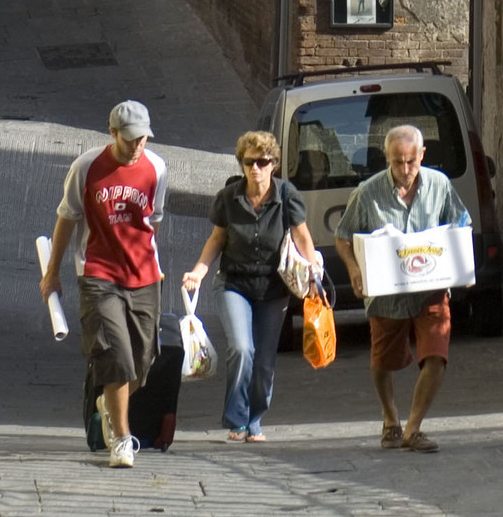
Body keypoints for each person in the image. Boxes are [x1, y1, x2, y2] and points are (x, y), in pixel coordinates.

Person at [41, 100, 167, 472]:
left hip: (144, 275)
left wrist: (147, 260)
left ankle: (108, 402)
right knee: (116, 357)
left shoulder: (157, 168)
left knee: (142, 361)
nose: (136, 146)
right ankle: (122, 439)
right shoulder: (86, 168)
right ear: (112, 134)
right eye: (129, 139)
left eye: (142, 138)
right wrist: (53, 272)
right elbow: (67, 219)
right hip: (98, 274)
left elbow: (153, 220)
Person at [336, 124, 471, 454]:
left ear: (422, 155)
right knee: (383, 361)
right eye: (398, 162)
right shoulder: (367, 193)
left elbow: (462, 223)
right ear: (387, 159)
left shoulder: (439, 185)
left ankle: (413, 428)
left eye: (412, 161)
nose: (406, 170)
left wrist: (460, 261)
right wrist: (354, 269)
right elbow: (343, 235)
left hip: (431, 289)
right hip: (386, 295)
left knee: (436, 357)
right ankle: (390, 417)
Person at [183, 130, 317, 442]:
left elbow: (303, 237)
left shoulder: (287, 195)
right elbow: (217, 239)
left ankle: (255, 420)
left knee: (266, 359)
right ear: (241, 164)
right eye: (249, 162)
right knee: (242, 349)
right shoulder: (229, 198)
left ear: (274, 164)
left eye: (262, 161)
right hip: (234, 283)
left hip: (273, 288)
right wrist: (198, 272)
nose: (255, 168)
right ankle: (237, 418)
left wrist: (314, 276)